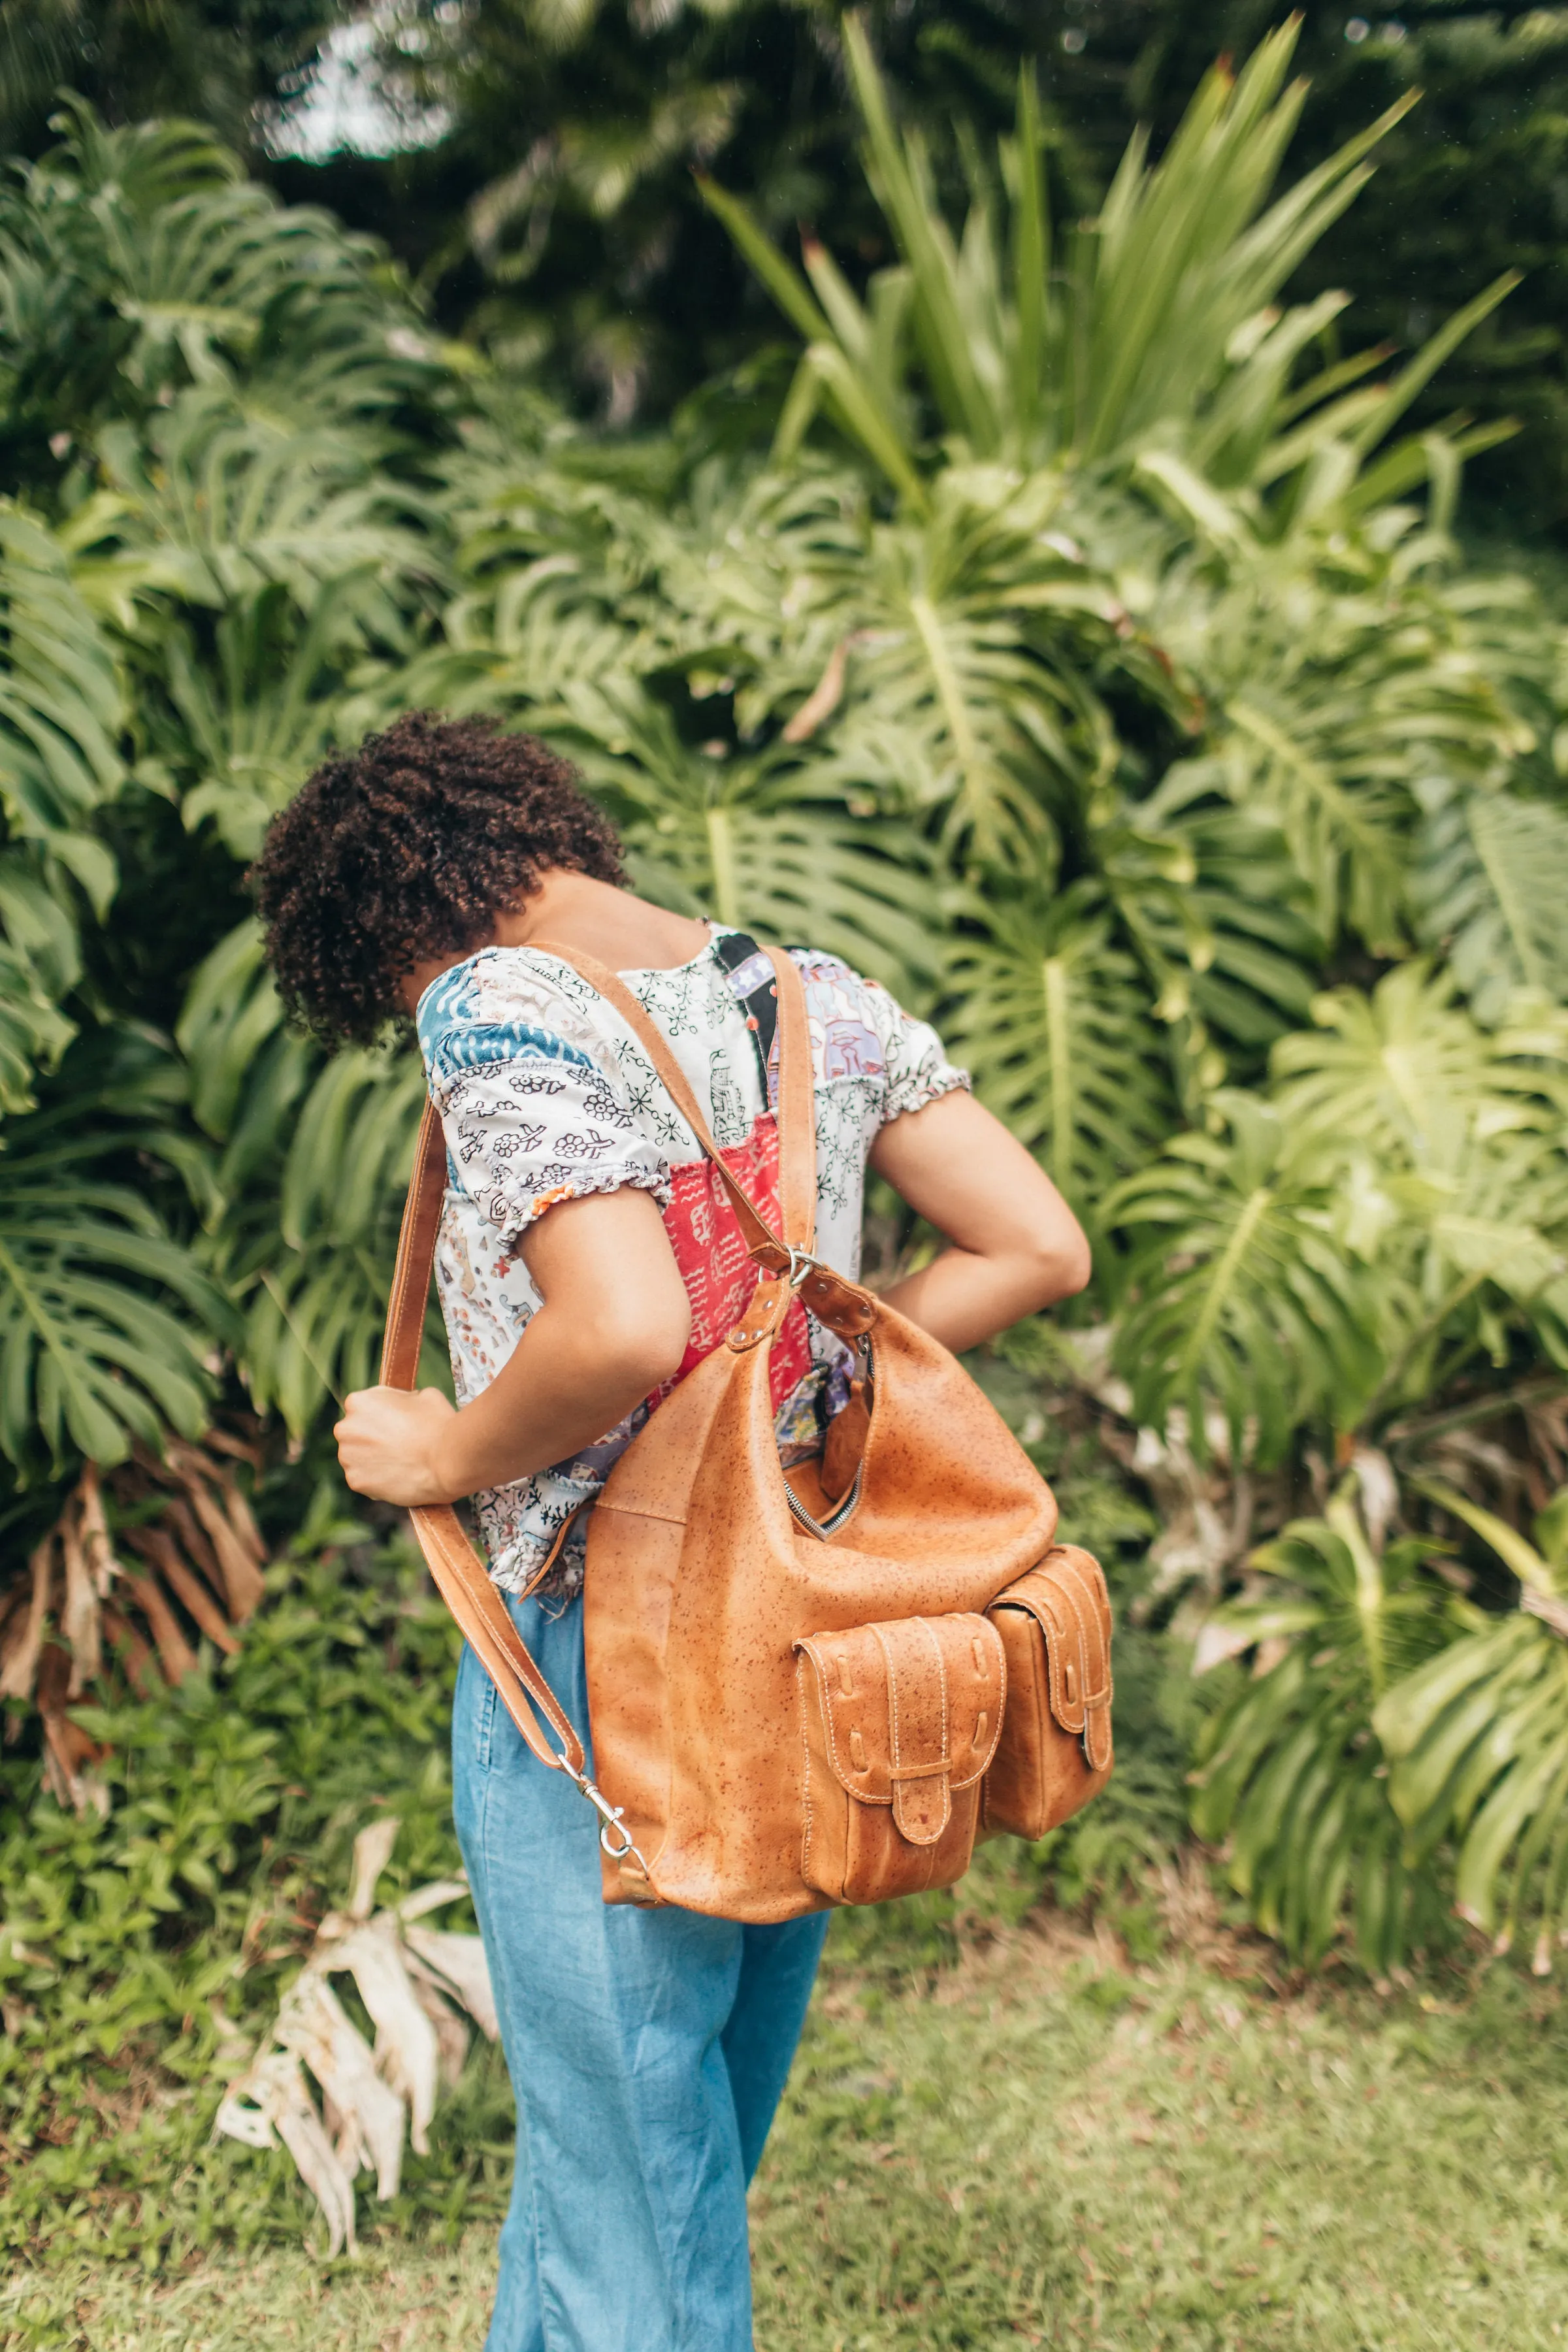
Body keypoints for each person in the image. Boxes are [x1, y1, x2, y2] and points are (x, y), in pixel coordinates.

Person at [253, 711, 1090, 2352]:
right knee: (652, 2143)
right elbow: (1034, 1245)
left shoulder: (492, 1001)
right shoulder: (810, 993)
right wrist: (803, 1390)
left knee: (634, 2187)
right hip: (807, 1615)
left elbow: (622, 1327)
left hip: (605, 1647)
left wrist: (442, 1448)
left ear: (385, 926)